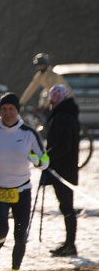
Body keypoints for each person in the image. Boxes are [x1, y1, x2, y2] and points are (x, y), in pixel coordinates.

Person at [0, 92, 49, 271]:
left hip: (22, 190)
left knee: (20, 234)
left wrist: (36, 160)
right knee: (1, 230)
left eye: (11, 109)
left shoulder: (28, 133)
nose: (8, 113)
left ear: (17, 110)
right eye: (4, 109)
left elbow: (45, 162)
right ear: (0, 111)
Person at [42, 84, 80, 256]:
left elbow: (63, 145)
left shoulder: (62, 117)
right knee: (66, 206)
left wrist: (46, 157)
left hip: (63, 169)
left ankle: (70, 244)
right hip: (67, 168)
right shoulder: (67, 114)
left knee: (67, 207)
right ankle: (69, 242)